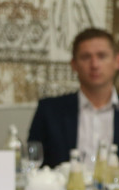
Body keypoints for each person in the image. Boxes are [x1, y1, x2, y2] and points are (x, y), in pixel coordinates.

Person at [28, 27, 119, 168]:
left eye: (101, 56)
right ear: (74, 64)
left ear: (116, 61)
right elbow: (32, 163)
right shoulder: (49, 110)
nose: (94, 65)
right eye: (86, 57)